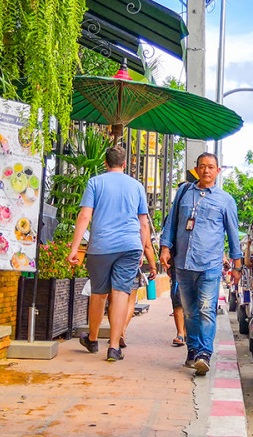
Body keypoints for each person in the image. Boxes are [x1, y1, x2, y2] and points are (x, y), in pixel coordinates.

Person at [68, 146, 157, 361]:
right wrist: (142, 250)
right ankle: (114, 347)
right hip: (130, 246)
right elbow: (143, 223)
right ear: (124, 164)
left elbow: (84, 216)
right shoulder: (136, 186)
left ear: (105, 163)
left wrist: (74, 248)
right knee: (120, 294)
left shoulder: (95, 182)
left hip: (101, 246)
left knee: (98, 294)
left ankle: (92, 338)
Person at [159, 152, 243, 376]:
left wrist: (237, 265)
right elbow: (172, 223)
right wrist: (165, 248)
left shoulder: (225, 200)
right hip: (183, 264)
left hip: (210, 264)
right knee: (189, 312)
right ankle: (193, 349)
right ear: (196, 169)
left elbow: (233, 234)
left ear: (218, 170)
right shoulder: (184, 193)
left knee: (206, 309)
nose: (206, 170)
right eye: (202, 166)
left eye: (211, 167)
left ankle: (204, 354)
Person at [168, 169, 199, 347]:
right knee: (179, 300)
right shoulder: (173, 216)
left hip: (200, 265)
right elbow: (168, 235)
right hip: (179, 264)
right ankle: (181, 333)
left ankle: (191, 334)